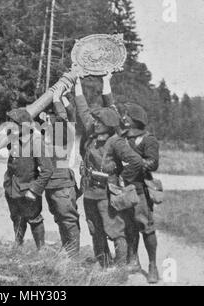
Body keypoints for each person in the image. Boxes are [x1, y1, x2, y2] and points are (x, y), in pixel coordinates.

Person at [73, 75, 144, 269]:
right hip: (90, 193)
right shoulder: (92, 133)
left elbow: (136, 161)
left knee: (114, 231)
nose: (95, 122)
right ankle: (104, 265)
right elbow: (83, 110)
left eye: (99, 121)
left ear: (109, 124)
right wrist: (77, 85)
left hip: (107, 194)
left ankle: (120, 267)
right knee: (95, 229)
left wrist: (121, 177)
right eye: (96, 120)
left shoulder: (116, 142)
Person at [0, 108, 53, 249]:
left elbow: (47, 170)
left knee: (34, 219)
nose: (9, 126)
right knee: (16, 217)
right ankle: (18, 244)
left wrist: (34, 190)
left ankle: (41, 249)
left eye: (14, 123)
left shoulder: (36, 141)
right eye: (9, 122)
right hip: (12, 188)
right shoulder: (12, 136)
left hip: (28, 190)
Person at [120, 103, 160, 283]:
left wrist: (134, 163)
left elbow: (153, 163)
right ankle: (133, 260)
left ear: (135, 120)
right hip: (123, 189)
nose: (123, 118)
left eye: (127, 116)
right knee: (129, 226)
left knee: (146, 227)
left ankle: (152, 265)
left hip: (141, 189)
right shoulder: (123, 138)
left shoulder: (148, 139)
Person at [41, 90, 81, 257]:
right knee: (60, 219)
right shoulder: (49, 136)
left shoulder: (65, 134)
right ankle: (67, 249)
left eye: (52, 119)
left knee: (68, 220)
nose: (48, 122)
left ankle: (73, 256)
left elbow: (68, 115)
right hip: (52, 184)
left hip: (62, 184)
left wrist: (59, 98)